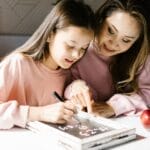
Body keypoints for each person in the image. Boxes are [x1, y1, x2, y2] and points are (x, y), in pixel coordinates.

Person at [0, 0, 95, 129]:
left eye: (83, 48)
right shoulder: (18, 64)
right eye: (70, 45)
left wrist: (76, 89)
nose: (76, 55)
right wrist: (40, 113)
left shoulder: (66, 70)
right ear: (50, 35)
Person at [65, 0, 150, 117]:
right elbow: (59, 80)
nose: (114, 43)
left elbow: (147, 93)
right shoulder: (78, 46)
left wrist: (114, 106)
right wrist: (75, 87)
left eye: (126, 40)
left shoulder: (140, 57)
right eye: (110, 31)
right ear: (100, 20)